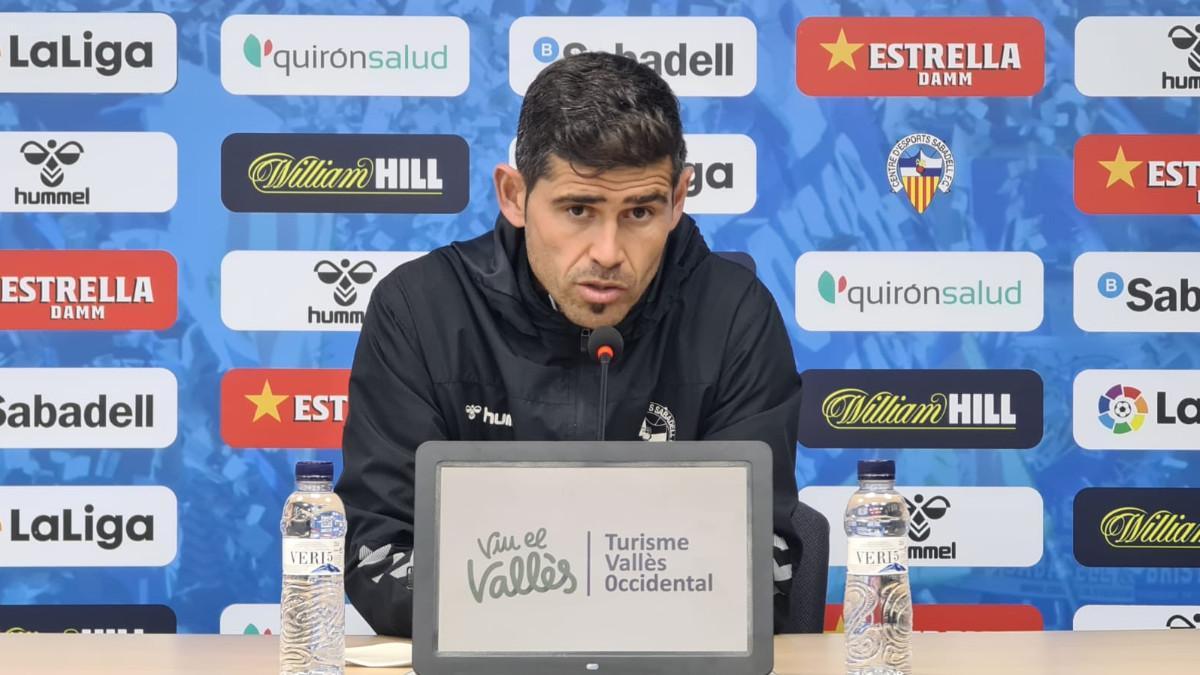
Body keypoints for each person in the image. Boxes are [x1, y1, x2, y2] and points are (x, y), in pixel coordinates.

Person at [336, 51, 806, 637]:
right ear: (514, 196)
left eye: (640, 211)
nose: (609, 252)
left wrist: (532, 596)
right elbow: (377, 552)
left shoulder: (734, 314)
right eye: (578, 209)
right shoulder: (420, 309)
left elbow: (762, 569)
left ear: (680, 198)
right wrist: (581, 603)